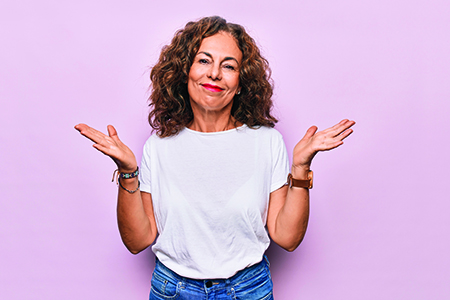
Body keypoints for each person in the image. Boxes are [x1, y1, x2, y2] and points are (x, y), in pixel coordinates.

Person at [75, 16, 355, 300]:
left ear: (241, 82)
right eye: (204, 61)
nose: (215, 74)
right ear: (185, 72)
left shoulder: (267, 142)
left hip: (248, 290)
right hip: (173, 291)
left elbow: (287, 237)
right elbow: (137, 241)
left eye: (229, 66)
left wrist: (300, 167)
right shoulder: (158, 147)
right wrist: (127, 171)